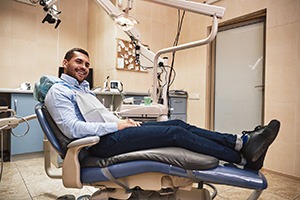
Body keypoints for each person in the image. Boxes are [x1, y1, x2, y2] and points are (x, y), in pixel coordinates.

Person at [45, 47, 280, 171]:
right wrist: (117, 125)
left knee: (177, 124)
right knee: (174, 135)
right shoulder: (59, 92)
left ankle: (239, 142)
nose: (84, 67)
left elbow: (95, 115)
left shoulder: (84, 89)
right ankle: (242, 159)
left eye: (87, 64)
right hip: (100, 143)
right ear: (65, 63)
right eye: (78, 62)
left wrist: (120, 122)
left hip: (112, 133)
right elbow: (73, 129)